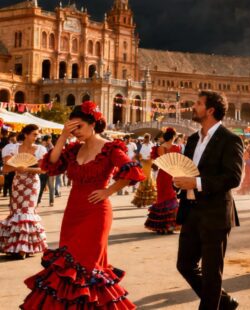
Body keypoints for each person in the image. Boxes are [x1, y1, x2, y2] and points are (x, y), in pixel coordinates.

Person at [21, 101, 145, 309]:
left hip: (96, 214)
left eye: (79, 127)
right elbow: (50, 164)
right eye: (72, 127)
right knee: (67, 267)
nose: (76, 132)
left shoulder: (110, 147)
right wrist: (62, 136)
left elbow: (132, 171)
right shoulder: (72, 149)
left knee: (87, 269)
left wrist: (108, 191)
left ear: (92, 124)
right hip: (72, 214)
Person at [174, 91, 243, 310]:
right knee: (185, 264)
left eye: (198, 103)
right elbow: (186, 168)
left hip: (215, 212)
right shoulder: (193, 139)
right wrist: (178, 182)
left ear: (210, 110)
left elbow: (233, 177)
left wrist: (197, 183)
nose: (193, 107)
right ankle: (223, 301)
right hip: (192, 209)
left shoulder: (230, 139)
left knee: (212, 272)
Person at [0, 124, 48, 258]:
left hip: (32, 183)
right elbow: (5, 169)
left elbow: (44, 170)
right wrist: (16, 168)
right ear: (26, 134)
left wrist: (27, 169)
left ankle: (23, 248)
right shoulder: (12, 148)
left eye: (37, 134)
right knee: (16, 212)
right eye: (34, 134)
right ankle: (15, 245)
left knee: (27, 211)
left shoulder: (40, 149)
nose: (36, 136)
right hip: (17, 183)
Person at [145, 127, 181, 234]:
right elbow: (177, 162)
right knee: (171, 197)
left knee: (161, 198)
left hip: (162, 174)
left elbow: (156, 162)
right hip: (172, 174)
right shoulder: (176, 147)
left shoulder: (160, 148)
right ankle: (169, 225)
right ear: (173, 137)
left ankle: (161, 225)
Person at [132, 134, 157, 207]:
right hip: (143, 162)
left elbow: (153, 154)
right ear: (144, 138)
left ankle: (150, 199)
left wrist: (152, 159)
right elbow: (138, 155)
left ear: (150, 138)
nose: (147, 139)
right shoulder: (141, 145)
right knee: (144, 179)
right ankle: (142, 200)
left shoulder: (152, 145)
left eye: (148, 138)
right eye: (146, 138)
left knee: (149, 179)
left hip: (149, 162)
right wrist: (140, 159)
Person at [2, 133, 18, 198]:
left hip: (9, 167)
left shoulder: (6, 147)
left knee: (10, 183)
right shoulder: (16, 146)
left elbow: (3, 157)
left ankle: (10, 197)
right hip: (14, 167)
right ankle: (12, 198)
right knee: (12, 184)